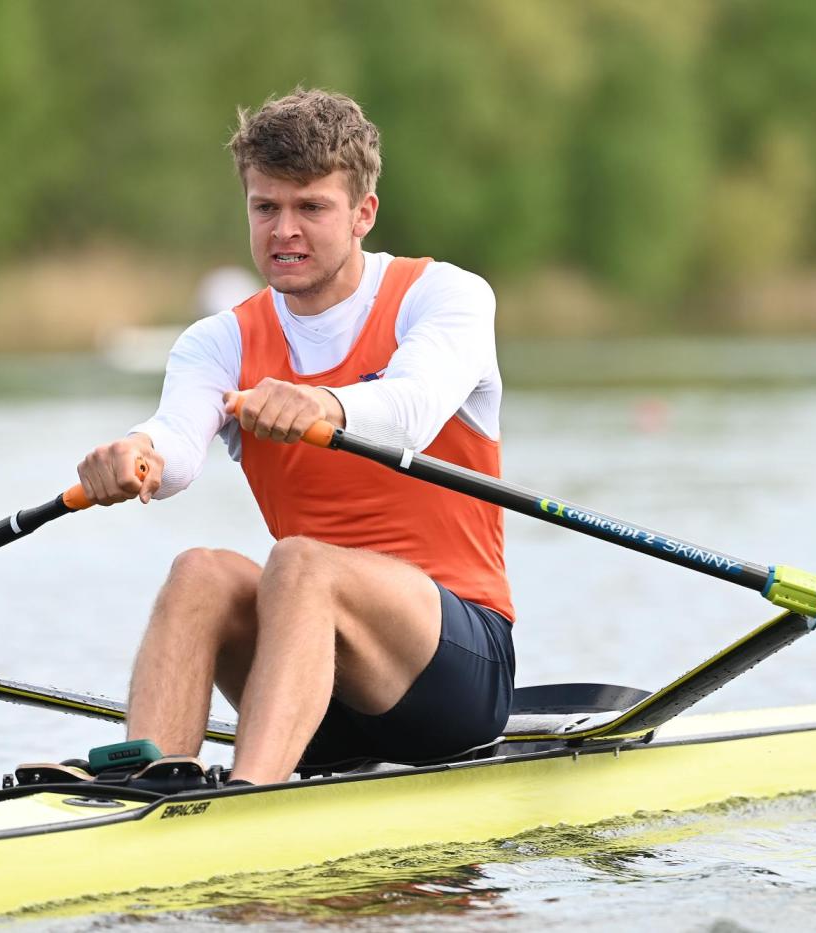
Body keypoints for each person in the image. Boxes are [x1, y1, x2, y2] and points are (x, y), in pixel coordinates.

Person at [76, 88, 514, 785]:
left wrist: (323, 403)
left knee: (301, 562)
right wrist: (136, 455)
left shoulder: (444, 297)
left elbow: (414, 409)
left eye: (311, 207)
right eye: (265, 208)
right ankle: (147, 786)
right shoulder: (219, 340)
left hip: (453, 676)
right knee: (200, 570)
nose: (284, 230)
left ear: (363, 213)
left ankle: (251, 792)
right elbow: (176, 447)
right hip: (313, 682)